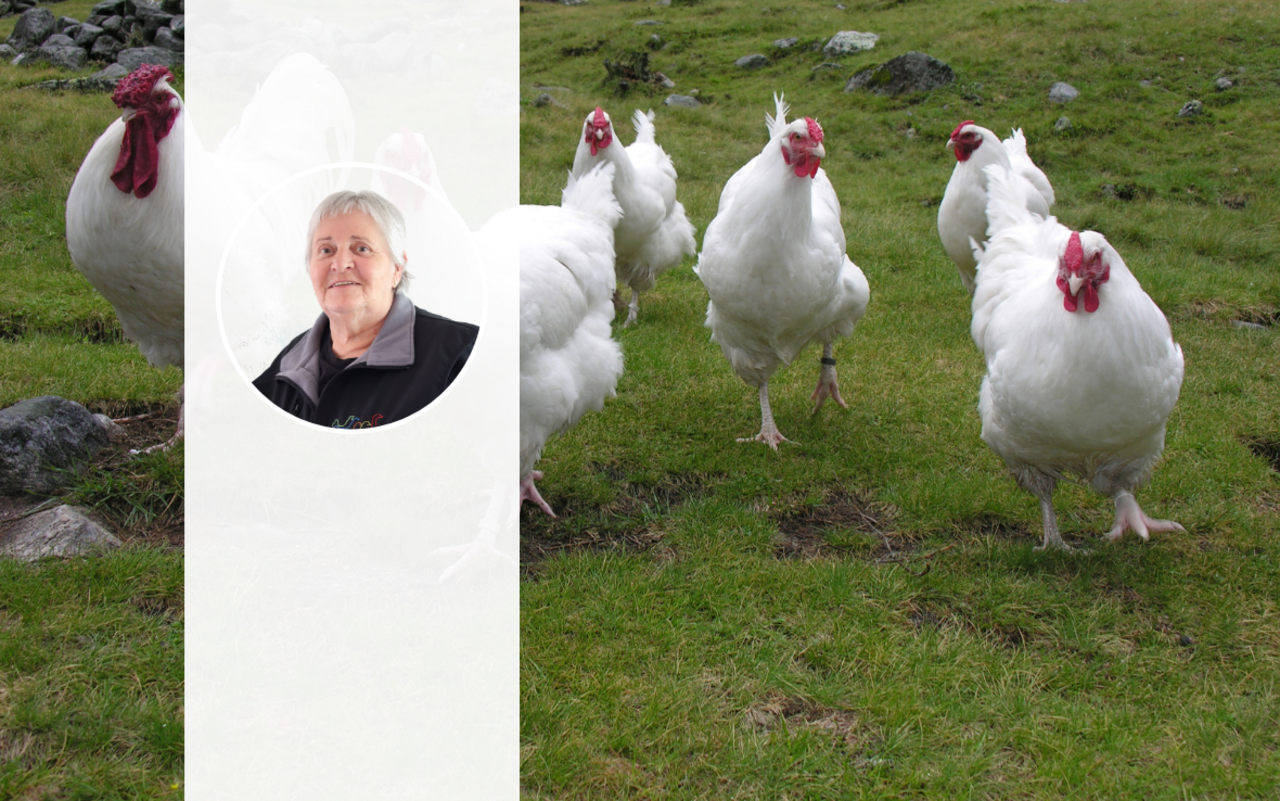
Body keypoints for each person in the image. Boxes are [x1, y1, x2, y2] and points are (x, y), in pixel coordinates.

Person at [253, 190, 478, 428]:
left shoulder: (461, 353)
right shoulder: (286, 366)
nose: (340, 264)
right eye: (326, 250)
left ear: (397, 268)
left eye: (361, 248)